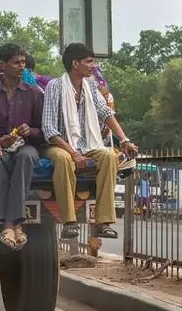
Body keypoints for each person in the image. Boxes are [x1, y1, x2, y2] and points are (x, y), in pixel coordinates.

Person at [42, 43, 138, 240]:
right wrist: (73, 152)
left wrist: (124, 139)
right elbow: (49, 129)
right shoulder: (55, 86)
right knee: (62, 159)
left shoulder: (92, 87)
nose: (92, 66)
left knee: (109, 156)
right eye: (89, 61)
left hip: (87, 144)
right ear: (75, 63)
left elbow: (106, 113)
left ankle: (103, 222)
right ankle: (69, 222)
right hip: (59, 145)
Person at [0, 44, 44, 250]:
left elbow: (44, 130)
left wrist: (30, 131)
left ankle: (9, 224)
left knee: (25, 158)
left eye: (23, 62)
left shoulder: (34, 94)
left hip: (26, 146)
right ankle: (11, 225)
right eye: (16, 62)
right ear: (2, 65)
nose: (21, 67)